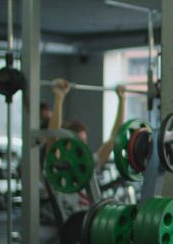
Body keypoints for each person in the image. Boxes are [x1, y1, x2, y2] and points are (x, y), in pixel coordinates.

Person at [45, 78, 126, 214]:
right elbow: (53, 137)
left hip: (92, 224)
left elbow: (114, 138)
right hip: (72, 226)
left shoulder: (89, 164)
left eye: (84, 141)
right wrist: (59, 96)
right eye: (78, 141)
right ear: (65, 145)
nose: (83, 145)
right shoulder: (58, 168)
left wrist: (122, 101)